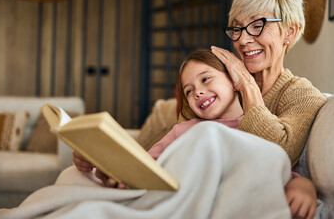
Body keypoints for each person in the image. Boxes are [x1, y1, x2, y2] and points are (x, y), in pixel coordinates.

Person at [74, 49, 317, 219]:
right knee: (71, 177)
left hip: (228, 202)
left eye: (206, 79)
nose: (198, 92)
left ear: (234, 79)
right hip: (179, 202)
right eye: (189, 91)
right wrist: (107, 166)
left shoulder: (253, 126)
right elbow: (145, 167)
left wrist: (304, 186)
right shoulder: (184, 130)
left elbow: (269, 164)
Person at [179, 0, 327, 168]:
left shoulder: (303, 95)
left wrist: (246, 85)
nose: (242, 40)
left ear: (290, 32)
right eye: (237, 28)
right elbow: (183, 134)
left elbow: (279, 152)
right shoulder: (221, 81)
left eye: (257, 25)